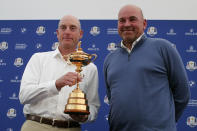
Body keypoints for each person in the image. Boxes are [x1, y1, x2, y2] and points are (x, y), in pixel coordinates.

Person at [103, 4, 190, 131]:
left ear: (144, 23)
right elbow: (112, 98)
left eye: (132, 19)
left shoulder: (163, 48)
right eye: (122, 20)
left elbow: (182, 94)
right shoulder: (110, 59)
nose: (127, 24)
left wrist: (164, 123)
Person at [19, 15, 100, 131]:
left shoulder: (90, 67)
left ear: (80, 34)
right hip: (36, 125)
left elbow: (93, 106)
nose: (67, 32)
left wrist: (84, 116)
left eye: (72, 28)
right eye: (63, 28)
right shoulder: (38, 59)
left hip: (71, 128)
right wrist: (55, 85)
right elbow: (24, 96)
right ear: (57, 33)